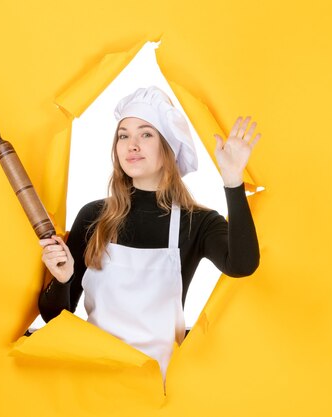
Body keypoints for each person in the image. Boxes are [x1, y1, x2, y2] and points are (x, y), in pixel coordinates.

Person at [38, 86, 260, 378]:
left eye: (145, 134)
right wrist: (62, 279)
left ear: (168, 146)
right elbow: (54, 316)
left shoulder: (198, 222)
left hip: (159, 388)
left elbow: (242, 265)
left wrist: (233, 182)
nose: (132, 144)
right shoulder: (93, 216)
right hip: (93, 380)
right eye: (123, 135)